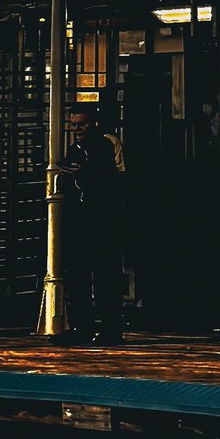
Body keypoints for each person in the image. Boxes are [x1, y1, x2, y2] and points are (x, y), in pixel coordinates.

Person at [65, 126, 130, 342]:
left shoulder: (108, 144)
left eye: (82, 123)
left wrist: (86, 173)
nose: (77, 129)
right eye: (74, 124)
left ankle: (110, 329)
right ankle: (81, 328)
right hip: (80, 220)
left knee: (106, 275)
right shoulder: (74, 149)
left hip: (104, 219)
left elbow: (119, 180)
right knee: (78, 275)